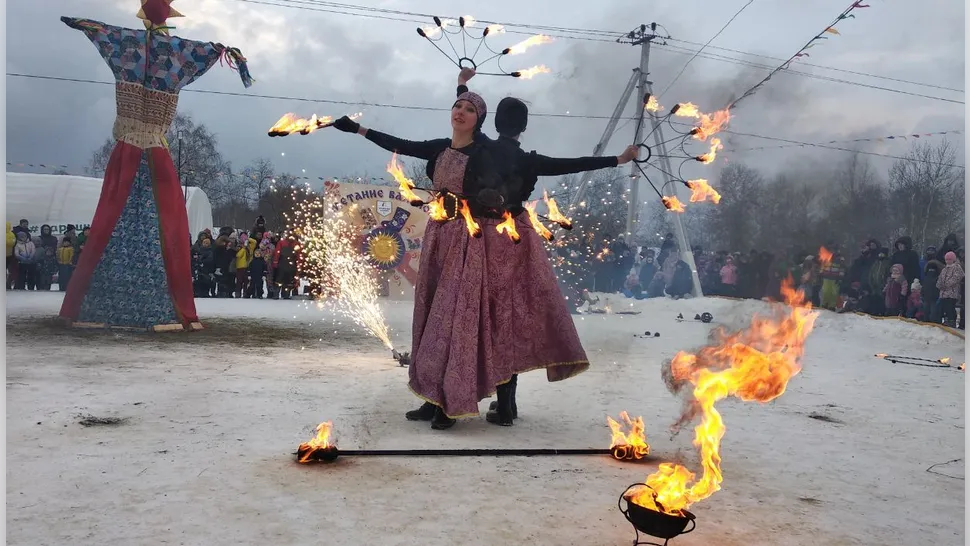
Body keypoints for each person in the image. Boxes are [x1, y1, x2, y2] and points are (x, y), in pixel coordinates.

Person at [331, 82, 637, 429]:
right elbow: (403, 144)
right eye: (458, 106)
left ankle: (451, 400)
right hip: (447, 238)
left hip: (472, 242)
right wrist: (359, 128)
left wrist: (616, 160)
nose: (460, 112)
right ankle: (452, 399)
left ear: (485, 120)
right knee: (457, 319)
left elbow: (550, 167)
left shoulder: (487, 153)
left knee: (466, 319)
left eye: (470, 109)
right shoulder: (458, 148)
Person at [937, 251, 964, 327]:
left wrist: (946, 284)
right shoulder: (944, 269)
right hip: (944, 293)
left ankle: (952, 320)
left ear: (953, 260)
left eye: (950, 259)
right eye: (946, 259)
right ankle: (947, 319)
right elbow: (940, 278)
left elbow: (956, 278)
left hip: (952, 292)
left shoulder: (957, 267)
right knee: (945, 307)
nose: (948, 261)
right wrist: (939, 285)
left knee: (950, 307)